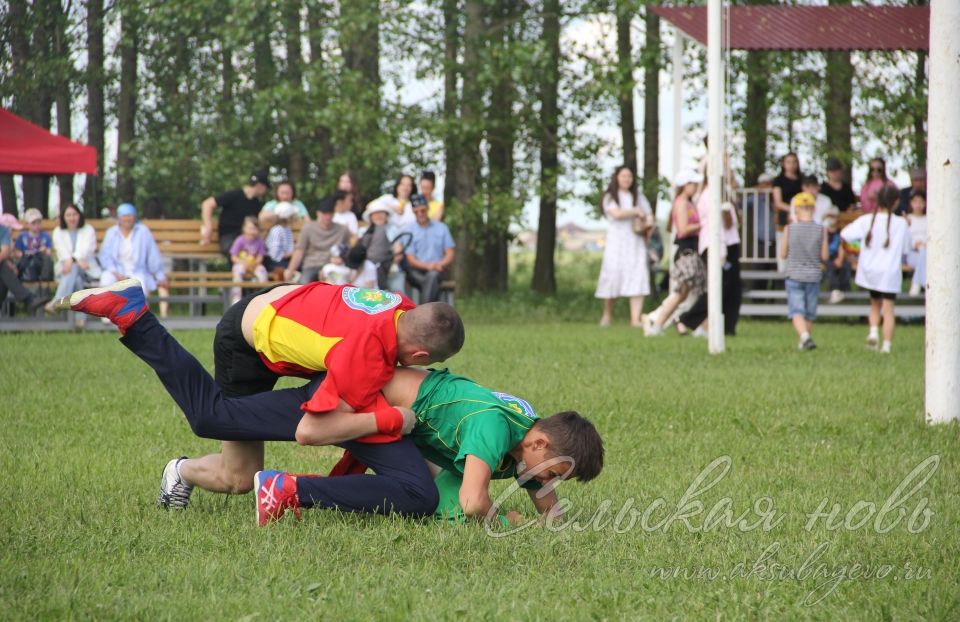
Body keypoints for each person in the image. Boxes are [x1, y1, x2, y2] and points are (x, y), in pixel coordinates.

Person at [54, 277, 465, 509]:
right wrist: (396, 421)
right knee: (219, 440)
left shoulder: (405, 312)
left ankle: (179, 471)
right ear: (421, 353)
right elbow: (312, 428)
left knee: (238, 476)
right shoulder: (363, 356)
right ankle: (136, 316)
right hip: (246, 342)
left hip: (285, 304)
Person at [261, 367, 604, 526]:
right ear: (541, 442)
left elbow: (539, 485)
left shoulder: (530, 436)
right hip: (371, 407)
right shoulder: (495, 426)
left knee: (224, 419)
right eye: (553, 474)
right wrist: (505, 521)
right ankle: (290, 488)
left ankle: (289, 485)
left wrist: (554, 517)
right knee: (422, 499)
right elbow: (473, 503)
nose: (548, 482)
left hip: (395, 418)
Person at [841, 185, 912, 354]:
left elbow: (845, 234)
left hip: (870, 270)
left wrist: (857, 250)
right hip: (889, 272)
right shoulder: (901, 223)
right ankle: (886, 346)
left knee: (874, 305)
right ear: (895, 202)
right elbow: (906, 249)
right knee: (888, 310)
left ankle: (873, 331)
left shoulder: (866, 220)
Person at [643, 170, 704, 336]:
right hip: (686, 251)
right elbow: (682, 230)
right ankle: (656, 322)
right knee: (682, 292)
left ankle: (661, 322)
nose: (696, 186)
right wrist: (704, 224)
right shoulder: (682, 202)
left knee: (685, 293)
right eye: (692, 183)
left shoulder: (688, 202)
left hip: (690, 250)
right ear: (685, 185)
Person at [594, 165, 653, 327]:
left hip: (635, 241)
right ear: (617, 178)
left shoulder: (638, 196)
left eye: (629, 176)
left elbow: (648, 215)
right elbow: (617, 214)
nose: (627, 179)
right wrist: (635, 211)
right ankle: (607, 314)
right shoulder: (610, 197)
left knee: (637, 275)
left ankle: (635, 318)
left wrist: (646, 223)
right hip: (617, 243)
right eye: (623, 176)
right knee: (613, 275)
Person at [781, 192, 828, 351]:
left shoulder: (790, 229)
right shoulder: (821, 230)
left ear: (795, 210)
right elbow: (824, 255)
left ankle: (805, 338)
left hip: (794, 274)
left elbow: (783, 253)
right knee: (809, 313)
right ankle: (805, 340)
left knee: (796, 311)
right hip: (813, 275)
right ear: (814, 209)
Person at [45, 204, 101, 328]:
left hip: (87, 270)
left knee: (74, 270)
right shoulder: (58, 231)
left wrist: (72, 259)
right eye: (68, 215)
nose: (72, 218)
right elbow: (61, 252)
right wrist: (74, 261)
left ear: (79, 215)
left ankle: (58, 301)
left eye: (74, 214)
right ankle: (80, 319)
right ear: (63, 217)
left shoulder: (88, 229)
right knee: (76, 278)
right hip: (66, 271)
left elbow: (87, 250)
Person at [98, 203, 167, 299]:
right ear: (119, 218)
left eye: (130, 215)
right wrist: (115, 272)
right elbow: (105, 256)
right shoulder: (111, 232)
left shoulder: (143, 231)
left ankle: (137, 314)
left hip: (137, 271)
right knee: (106, 281)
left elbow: (153, 255)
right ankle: (106, 314)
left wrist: (160, 275)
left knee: (140, 288)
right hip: (115, 270)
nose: (127, 219)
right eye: (124, 216)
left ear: (135, 217)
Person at [200, 169, 270, 257]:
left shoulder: (256, 204)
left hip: (248, 237)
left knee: (263, 253)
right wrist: (208, 226)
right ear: (260, 186)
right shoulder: (234, 195)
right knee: (241, 251)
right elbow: (207, 204)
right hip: (229, 237)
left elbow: (256, 224)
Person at [283, 200, 350, 283]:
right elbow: (299, 251)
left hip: (332, 266)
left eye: (330, 213)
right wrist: (290, 270)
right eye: (325, 213)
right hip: (311, 265)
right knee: (304, 284)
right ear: (318, 213)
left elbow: (347, 251)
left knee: (335, 285)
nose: (327, 217)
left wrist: (340, 260)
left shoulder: (343, 230)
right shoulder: (308, 228)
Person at [405, 194, 455, 303]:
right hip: (417, 271)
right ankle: (430, 313)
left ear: (428, 208)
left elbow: (450, 253)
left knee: (432, 276)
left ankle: (423, 314)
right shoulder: (409, 230)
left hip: (439, 269)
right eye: (416, 211)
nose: (420, 214)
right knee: (431, 280)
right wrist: (430, 266)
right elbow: (411, 259)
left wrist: (439, 265)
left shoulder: (442, 227)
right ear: (413, 212)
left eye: (422, 210)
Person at [0, 213, 48, 314]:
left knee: (3, 273)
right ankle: (29, 300)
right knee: (4, 269)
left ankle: (29, 300)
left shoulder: (3, 233)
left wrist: (8, 263)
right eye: (11, 229)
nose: (11, 232)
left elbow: (4, 253)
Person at [359, 201, 406, 290]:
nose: (378, 216)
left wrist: (392, 260)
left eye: (381, 213)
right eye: (375, 214)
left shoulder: (393, 229)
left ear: (386, 215)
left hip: (390, 268)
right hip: (367, 270)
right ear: (370, 217)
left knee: (398, 292)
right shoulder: (364, 231)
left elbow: (398, 250)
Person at [772, 153, 803, 272]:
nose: (791, 165)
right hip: (784, 217)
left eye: (794, 162)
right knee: (783, 243)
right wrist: (793, 210)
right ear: (784, 164)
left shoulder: (801, 180)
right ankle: (782, 271)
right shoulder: (779, 181)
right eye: (788, 162)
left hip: (801, 219)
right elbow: (778, 202)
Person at [229, 216, 268, 305]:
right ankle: (236, 297)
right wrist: (242, 263)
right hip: (241, 264)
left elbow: (260, 256)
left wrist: (255, 263)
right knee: (237, 272)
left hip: (254, 265)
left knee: (262, 271)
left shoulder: (259, 241)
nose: (252, 231)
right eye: (250, 228)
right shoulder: (240, 240)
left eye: (255, 228)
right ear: (244, 228)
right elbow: (233, 256)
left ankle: (261, 295)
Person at [14, 208, 54, 282]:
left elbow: (50, 252)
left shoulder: (45, 235)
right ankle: (27, 275)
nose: (37, 225)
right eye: (33, 223)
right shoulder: (22, 236)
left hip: (40, 262)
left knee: (46, 260)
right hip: (27, 261)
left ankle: (44, 277)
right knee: (25, 261)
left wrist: (45, 250)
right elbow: (17, 252)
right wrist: (24, 254)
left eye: (39, 222)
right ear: (27, 224)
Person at [822, 205, 851, 304]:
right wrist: (825, 235)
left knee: (845, 266)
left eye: (833, 216)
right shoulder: (822, 232)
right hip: (825, 257)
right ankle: (835, 290)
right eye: (829, 216)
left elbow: (842, 245)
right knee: (830, 266)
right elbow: (824, 254)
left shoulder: (841, 232)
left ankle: (843, 290)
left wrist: (840, 258)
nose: (831, 219)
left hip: (838, 256)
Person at [262, 201, 297, 276]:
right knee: (294, 269)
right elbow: (274, 255)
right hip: (273, 262)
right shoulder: (276, 230)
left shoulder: (287, 229)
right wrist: (290, 254)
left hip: (284, 260)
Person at [904, 190, 927, 296]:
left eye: (921, 202)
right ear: (911, 203)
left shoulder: (929, 219)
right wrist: (914, 244)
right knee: (923, 253)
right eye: (915, 201)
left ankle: (916, 283)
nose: (918, 205)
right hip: (911, 253)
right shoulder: (907, 219)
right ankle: (923, 284)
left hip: (927, 252)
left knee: (924, 251)